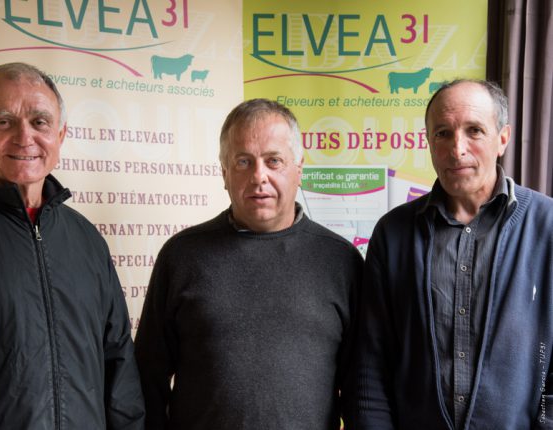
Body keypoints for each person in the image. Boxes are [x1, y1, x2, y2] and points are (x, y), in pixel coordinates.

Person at [0, 62, 145, 429]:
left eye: (40, 122)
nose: (24, 137)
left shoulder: (86, 240)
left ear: (61, 134)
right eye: (3, 122)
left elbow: (119, 368)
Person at [134, 98, 363, 429]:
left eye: (274, 161)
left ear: (299, 167)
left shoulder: (341, 262)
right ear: (224, 172)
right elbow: (147, 379)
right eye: (243, 161)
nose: (259, 177)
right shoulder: (181, 256)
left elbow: (361, 389)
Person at [348, 79, 553, 429]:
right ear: (429, 143)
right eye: (443, 133)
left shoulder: (547, 226)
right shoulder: (393, 234)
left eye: (474, 131)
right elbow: (371, 362)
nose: (457, 149)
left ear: (503, 138)